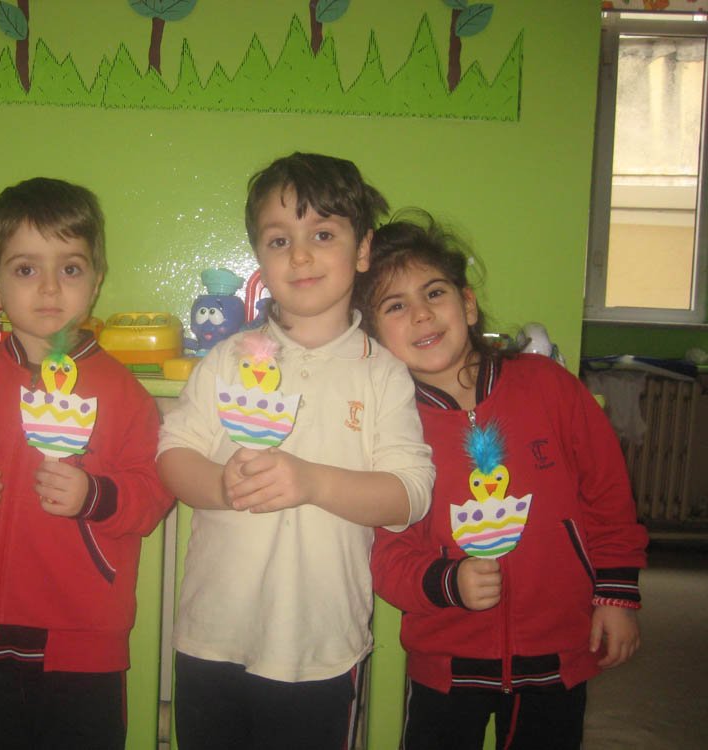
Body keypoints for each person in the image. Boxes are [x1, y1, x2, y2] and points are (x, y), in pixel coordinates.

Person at [157, 153, 436, 750]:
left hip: (321, 649)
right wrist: (220, 485)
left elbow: (410, 494)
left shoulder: (383, 374)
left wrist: (312, 482)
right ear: (260, 258)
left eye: (323, 235)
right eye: (280, 240)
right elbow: (174, 454)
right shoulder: (227, 359)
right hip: (212, 636)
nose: (301, 256)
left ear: (362, 250)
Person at [355, 210, 649, 750]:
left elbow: (608, 494)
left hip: (557, 651)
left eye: (434, 293)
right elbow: (384, 551)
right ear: (373, 335)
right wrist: (448, 581)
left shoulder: (548, 386)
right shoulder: (385, 426)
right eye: (395, 306)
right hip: (447, 659)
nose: (421, 314)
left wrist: (616, 594)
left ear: (467, 304)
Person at [0, 177, 175, 750]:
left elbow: (153, 493)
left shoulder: (122, 392)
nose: (50, 287)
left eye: (70, 268)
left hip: (81, 642)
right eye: (26, 269)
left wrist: (92, 496)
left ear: (95, 281)